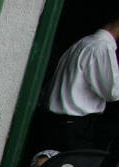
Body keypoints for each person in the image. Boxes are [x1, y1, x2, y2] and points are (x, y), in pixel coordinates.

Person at [42, 10, 119, 152]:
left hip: (62, 123)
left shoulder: (84, 43)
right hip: (75, 128)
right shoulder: (101, 47)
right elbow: (113, 92)